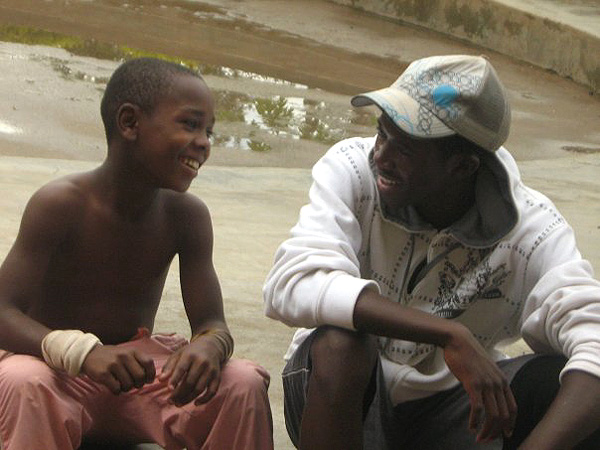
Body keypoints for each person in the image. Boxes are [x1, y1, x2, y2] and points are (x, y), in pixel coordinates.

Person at [263, 54, 600, 449]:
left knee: (561, 386)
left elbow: (593, 338)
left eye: (404, 148)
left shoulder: (533, 229)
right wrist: (448, 335)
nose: (382, 156)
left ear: (462, 167)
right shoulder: (352, 170)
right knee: (341, 344)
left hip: (452, 414)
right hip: (339, 399)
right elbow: (292, 284)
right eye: (382, 132)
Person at [0, 57, 273, 450]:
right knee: (22, 380)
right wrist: (82, 352)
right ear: (129, 123)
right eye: (190, 124)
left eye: (208, 131)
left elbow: (212, 322)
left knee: (241, 384)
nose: (204, 143)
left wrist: (209, 346)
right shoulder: (61, 204)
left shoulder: (187, 216)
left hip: (140, 379)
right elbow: (3, 312)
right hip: (56, 373)